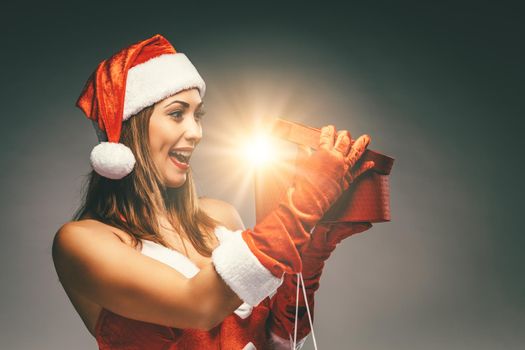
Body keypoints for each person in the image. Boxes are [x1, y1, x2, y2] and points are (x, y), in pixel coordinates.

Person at [52, 34, 375, 349]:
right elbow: (199, 306)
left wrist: (308, 262)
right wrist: (307, 199)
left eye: (198, 115)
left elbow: (277, 342)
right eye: (177, 114)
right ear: (130, 128)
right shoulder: (81, 242)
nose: (195, 132)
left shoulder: (219, 216)